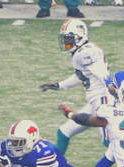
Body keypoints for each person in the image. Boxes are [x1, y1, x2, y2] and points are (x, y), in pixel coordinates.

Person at [38, 19, 113, 155]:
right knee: (64, 132)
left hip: (103, 101)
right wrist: (59, 85)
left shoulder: (86, 53)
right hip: (95, 101)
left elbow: (104, 76)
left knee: (111, 143)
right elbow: (82, 76)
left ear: (79, 36)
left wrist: (116, 95)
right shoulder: (81, 52)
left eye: (69, 38)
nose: (66, 42)